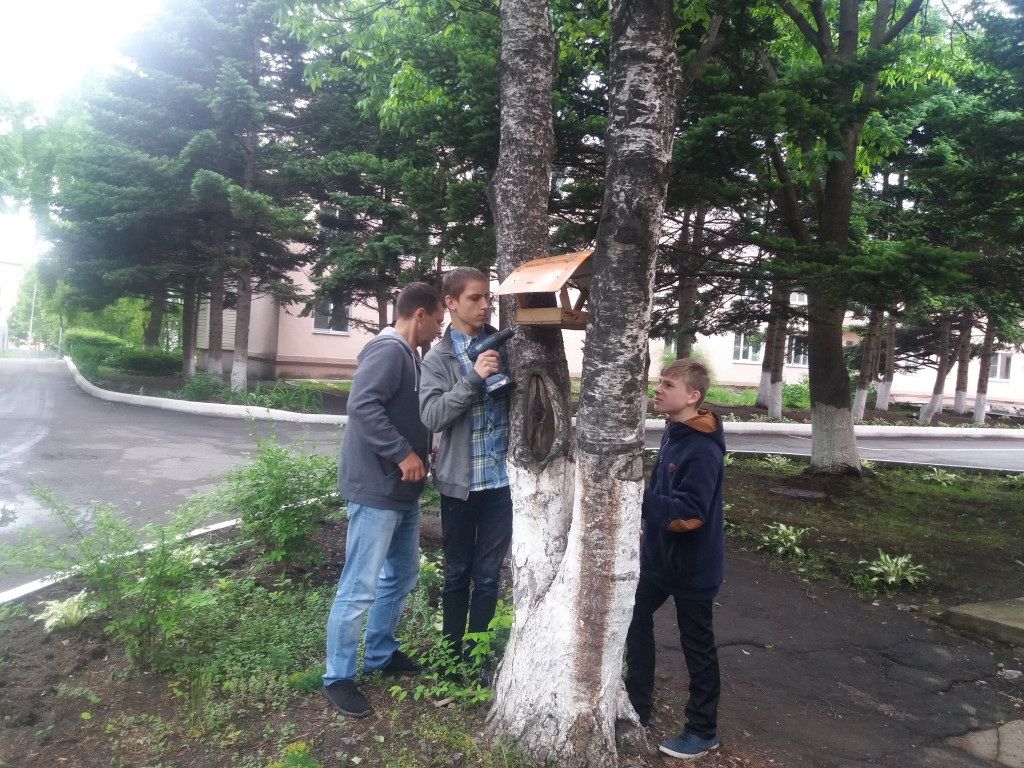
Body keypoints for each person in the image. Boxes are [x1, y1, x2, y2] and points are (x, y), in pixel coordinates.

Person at [321, 282, 445, 719]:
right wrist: (403, 452)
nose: (440, 326)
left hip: (401, 491)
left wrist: (422, 447)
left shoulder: (412, 356)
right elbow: (363, 405)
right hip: (376, 488)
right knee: (359, 586)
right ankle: (338, 676)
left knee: (403, 574)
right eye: (438, 318)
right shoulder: (389, 350)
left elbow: (399, 412)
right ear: (419, 315)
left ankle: (380, 654)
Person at [624, 357, 726, 760]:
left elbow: (690, 514)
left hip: (693, 569)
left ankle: (702, 731)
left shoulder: (701, 448)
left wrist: (637, 499)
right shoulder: (675, 431)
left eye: (668, 385)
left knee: (697, 645)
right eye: (659, 383)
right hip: (659, 560)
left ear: (692, 396)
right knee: (633, 615)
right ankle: (637, 705)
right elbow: (662, 489)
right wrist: (647, 527)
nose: (658, 390)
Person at [419, 267, 513, 673]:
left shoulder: (504, 345)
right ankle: (449, 657)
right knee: (457, 573)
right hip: (460, 485)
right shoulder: (438, 359)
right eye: (475, 298)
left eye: (487, 297)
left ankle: (476, 660)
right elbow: (432, 416)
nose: (485, 304)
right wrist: (473, 378)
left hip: (501, 484)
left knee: (489, 577)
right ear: (450, 303)